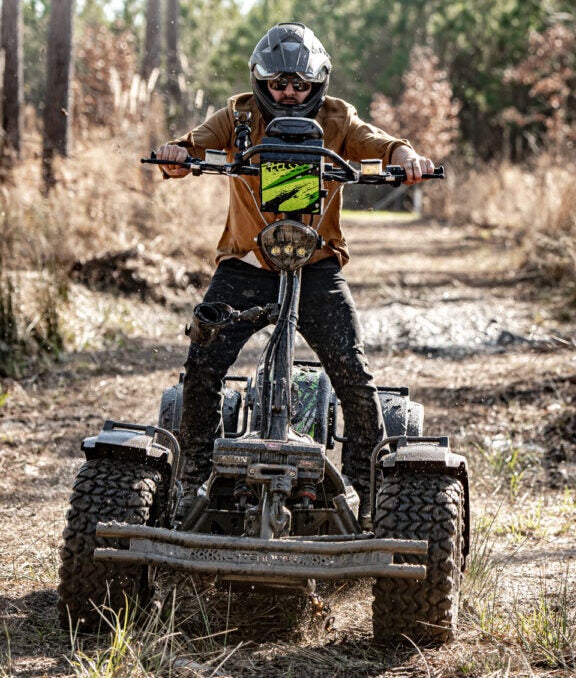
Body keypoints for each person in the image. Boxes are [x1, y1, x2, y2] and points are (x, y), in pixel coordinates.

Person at [155, 22, 435, 508]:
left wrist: (408, 157)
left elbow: (383, 145)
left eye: (299, 84)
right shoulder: (238, 113)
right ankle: (192, 481)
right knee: (202, 366)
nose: (288, 93)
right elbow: (192, 145)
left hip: (317, 265)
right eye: (279, 84)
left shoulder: (337, 116)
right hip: (246, 264)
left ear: (316, 83)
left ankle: (364, 494)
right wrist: (178, 155)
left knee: (353, 371)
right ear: (262, 82)